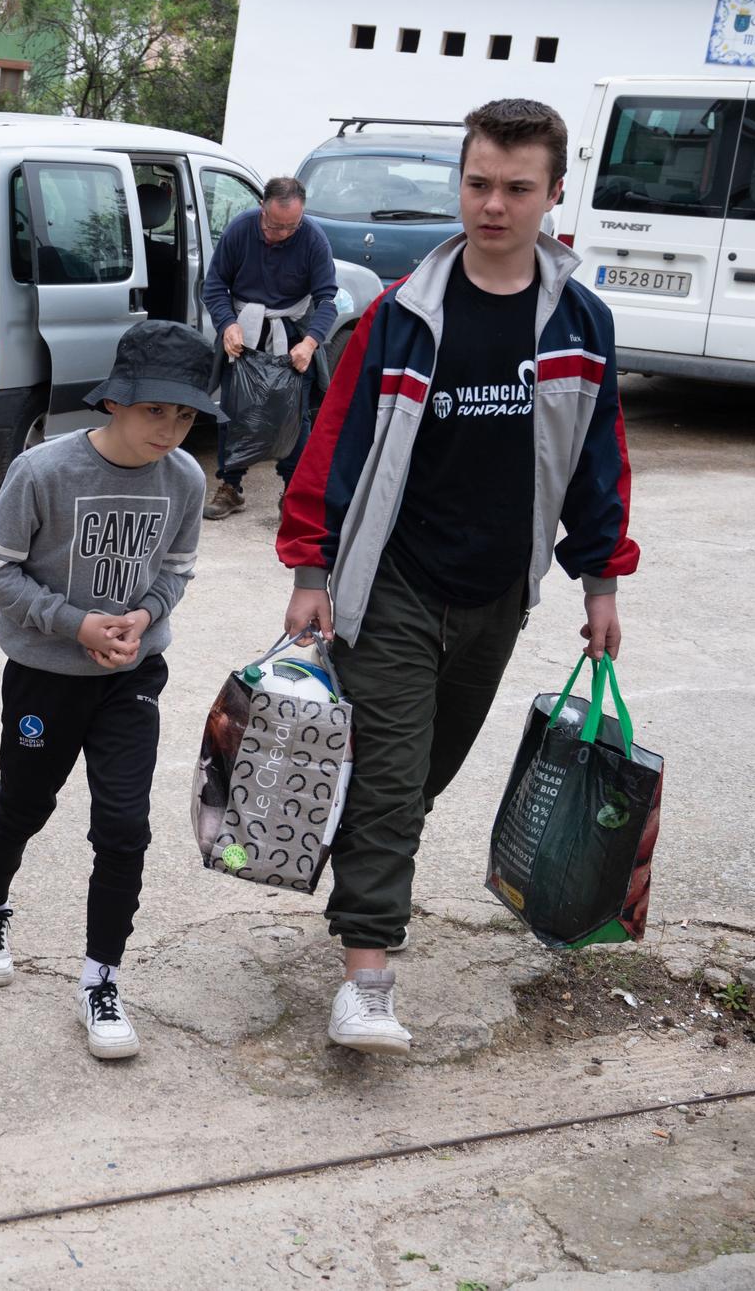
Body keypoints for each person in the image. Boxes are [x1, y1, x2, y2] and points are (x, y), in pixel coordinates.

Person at [276, 99, 640, 1057]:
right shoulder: (402, 316)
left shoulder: (582, 324)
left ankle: (364, 862)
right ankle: (366, 980)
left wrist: (600, 582)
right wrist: (311, 565)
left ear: (554, 195)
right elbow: (334, 446)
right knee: (395, 780)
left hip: (498, 594)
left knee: (420, 776)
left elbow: (598, 461)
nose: (493, 205)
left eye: (517, 188)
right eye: (478, 184)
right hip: (394, 582)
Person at [0, 320, 211, 1061]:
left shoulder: (186, 480)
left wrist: (144, 615)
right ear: (114, 401)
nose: (170, 429)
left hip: (131, 679)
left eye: (186, 415)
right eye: (155, 410)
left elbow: (176, 571)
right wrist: (74, 624)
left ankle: (102, 978)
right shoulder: (43, 470)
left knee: (125, 827)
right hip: (45, 678)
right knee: (24, 804)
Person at [200, 176, 338, 520]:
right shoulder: (240, 230)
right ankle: (230, 487)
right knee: (234, 410)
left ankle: (293, 492)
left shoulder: (313, 238)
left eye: (292, 226)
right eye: (275, 226)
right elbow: (214, 285)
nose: (283, 233)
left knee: (294, 416)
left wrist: (310, 343)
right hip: (244, 333)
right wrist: (227, 324)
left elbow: (327, 300)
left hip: (292, 335)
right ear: (262, 207)